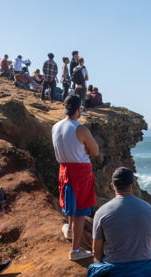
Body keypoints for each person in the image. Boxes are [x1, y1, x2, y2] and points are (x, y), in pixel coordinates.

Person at [88, 167, 151, 277]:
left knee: (93, 268)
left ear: (112, 186)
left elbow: (96, 250)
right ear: (133, 185)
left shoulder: (102, 212)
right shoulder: (149, 209)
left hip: (116, 272)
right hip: (144, 271)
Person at [52, 95, 100, 261]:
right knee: (80, 211)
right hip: (80, 171)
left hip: (64, 168)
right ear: (78, 109)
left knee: (70, 200)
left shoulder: (55, 126)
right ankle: (76, 250)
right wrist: (86, 148)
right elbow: (95, 151)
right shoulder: (81, 128)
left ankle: (70, 229)